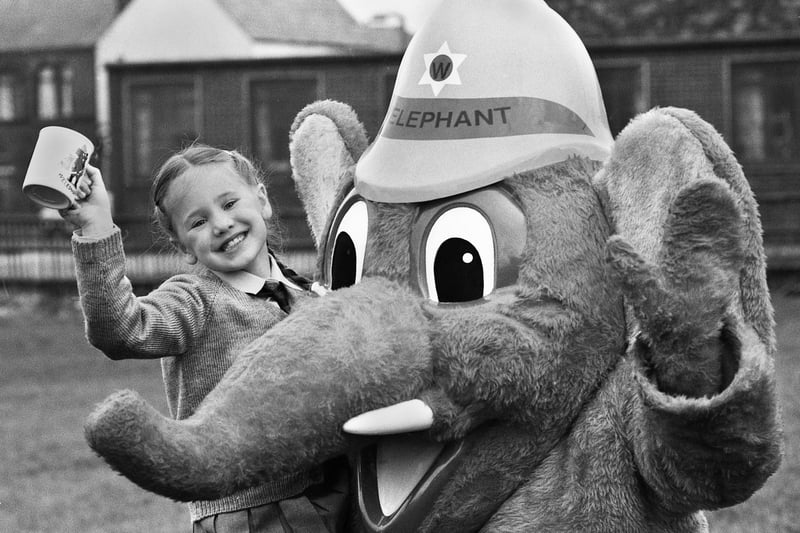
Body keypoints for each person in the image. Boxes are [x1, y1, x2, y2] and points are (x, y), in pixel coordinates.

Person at [59, 145, 348, 533]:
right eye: (197, 222)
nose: (221, 224)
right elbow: (120, 330)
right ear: (183, 246)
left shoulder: (308, 292)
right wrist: (95, 227)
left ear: (261, 200)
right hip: (254, 511)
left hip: (336, 487)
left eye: (229, 203)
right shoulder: (195, 299)